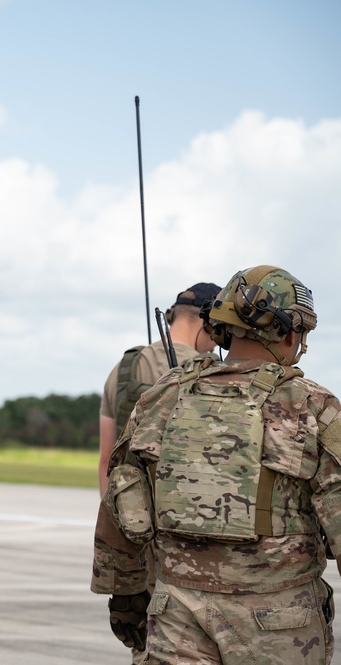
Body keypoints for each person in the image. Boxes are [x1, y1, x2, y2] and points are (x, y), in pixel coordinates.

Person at [92, 265, 340, 664]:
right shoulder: (313, 407)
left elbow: (120, 499)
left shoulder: (161, 398)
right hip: (279, 625)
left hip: (176, 616)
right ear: (292, 335)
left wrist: (123, 593)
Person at [98, 282, 221, 496]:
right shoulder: (213, 373)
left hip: (129, 517)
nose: (215, 344)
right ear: (209, 322)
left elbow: (107, 459)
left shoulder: (123, 368)